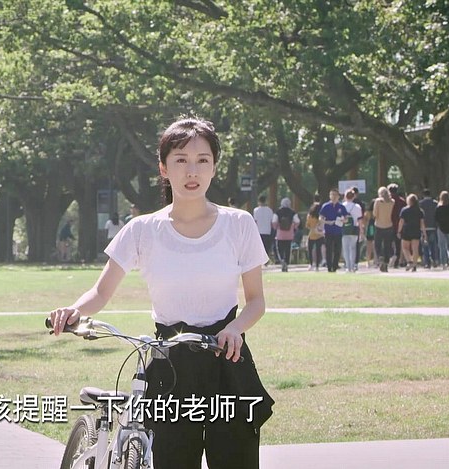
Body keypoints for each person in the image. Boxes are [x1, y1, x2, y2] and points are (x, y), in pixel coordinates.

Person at [49, 118, 273, 469]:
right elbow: (101, 292)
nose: (192, 170)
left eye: (202, 160)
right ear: (164, 168)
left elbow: (256, 301)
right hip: (169, 365)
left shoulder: (238, 224)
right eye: (181, 160)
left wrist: (235, 329)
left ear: (214, 167)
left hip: (226, 361)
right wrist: (74, 310)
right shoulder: (143, 229)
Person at [319, 189, 349, 273]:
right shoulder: (326, 206)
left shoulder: (341, 207)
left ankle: (335, 266)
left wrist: (343, 220)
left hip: (338, 231)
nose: (334, 197)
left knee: (337, 249)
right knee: (329, 249)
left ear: (338, 196)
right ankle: (329, 267)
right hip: (328, 231)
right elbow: (320, 218)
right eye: (332, 195)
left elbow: (346, 218)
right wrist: (327, 222)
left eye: (335, 195)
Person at [397, 193, 426, 272]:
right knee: (415, 249)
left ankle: (409, 261)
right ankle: (414, 265)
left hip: (407, 230)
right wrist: (424, 233)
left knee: (405, 247)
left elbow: (401, 222)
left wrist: (399, 231)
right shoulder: (420, 211)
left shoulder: (404, 210)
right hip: (416, 230)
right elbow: (422, 223)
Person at [271, 197, 299, 272]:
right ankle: (286, 261)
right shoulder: (292, 212)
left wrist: (276, 227)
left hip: (280, 235)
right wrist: (294, 227)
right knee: (288, 249)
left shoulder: (278, 212)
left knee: (280, 249)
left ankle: (282, 260)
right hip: (289, 235)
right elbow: (297, 221)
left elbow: (274, 222)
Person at [372, 186, 395, 272]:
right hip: (389, 225)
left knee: (377, 244)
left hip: (379, 225)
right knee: (387, 245)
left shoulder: (378, 201)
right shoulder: (392, 201)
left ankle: (380, 257)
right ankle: (386, 262)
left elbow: (375, 214)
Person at [341, 190, 364, 273]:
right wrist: (361, 231)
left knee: (345, 248)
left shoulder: (342, 206)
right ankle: (353, 265)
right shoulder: (357, 207)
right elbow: (360, 220)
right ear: (354, 196)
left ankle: (348, 266)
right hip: (354, 228)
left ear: (345, 196)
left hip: (344, 229)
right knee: (353, 248)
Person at [435, 190, 449, 270]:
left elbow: (436, 219)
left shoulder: (439, 208)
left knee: (442, 246)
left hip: (441, 228)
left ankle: (444, 263)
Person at [419, 189, 439, 268]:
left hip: (423, 227)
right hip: (433, 226)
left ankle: (427, 262)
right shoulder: (435, 203)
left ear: (423, 195)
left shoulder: (420, 204)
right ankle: (435, 260)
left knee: (425, 246)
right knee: (433, 245)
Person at [388, 183, 407, 267]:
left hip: (388, 224)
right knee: (398, 243)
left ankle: (390, 257)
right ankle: (397, 260)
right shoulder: (402, 201)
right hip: (399, 224)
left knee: (387, 242)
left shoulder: (387, 201)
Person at [252, 195, 274, 264]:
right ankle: (266, 261)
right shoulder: (270, 210)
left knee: (259, 247)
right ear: (266, 201)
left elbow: (255, 221)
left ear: (259, 201)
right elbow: (271, 222)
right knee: (266, 247)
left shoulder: (256, 210)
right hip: (267, 231)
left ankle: (259, 261)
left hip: (258, 231)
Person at [305, 199, 324, 271]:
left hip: (312, 234)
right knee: (318, 250)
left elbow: (307, 225)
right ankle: (317, 266)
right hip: (320, 235)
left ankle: (311, 264)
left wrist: (312, 228)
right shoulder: (321, 217)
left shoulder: (309, 216)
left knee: (310, 250)